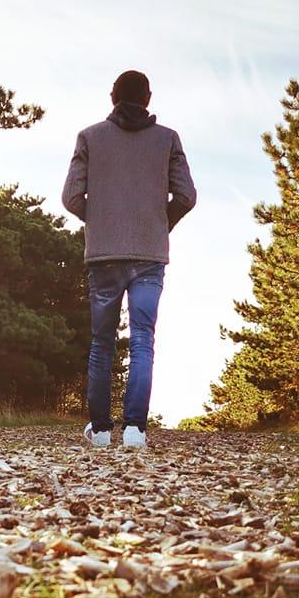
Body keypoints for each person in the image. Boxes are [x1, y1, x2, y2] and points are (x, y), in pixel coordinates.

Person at [61, 69, 197, 448]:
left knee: (101, 341)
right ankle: (135, 429)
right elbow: (186, 196)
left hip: (103, 255)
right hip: (149, 255)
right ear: (148, 99)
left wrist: (103, 221)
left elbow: (72, 198)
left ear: (112, 97)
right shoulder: (168, 140)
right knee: (142, 339)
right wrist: (158, 224)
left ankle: (101, 430)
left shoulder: (89, 138)